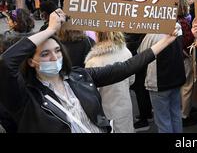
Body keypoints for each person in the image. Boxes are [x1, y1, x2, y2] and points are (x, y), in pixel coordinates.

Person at [0, 9, 178, 133]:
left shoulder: (80, 76)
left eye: (57, 51)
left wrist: (165, 41)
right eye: (45, 54)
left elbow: (126, 68)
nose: (54, 58)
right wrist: (51, 30)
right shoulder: (25, 96)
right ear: (31, 61)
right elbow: (6, 62)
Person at [84, 32, 135, 133]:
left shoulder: (93, 62)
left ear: (97, 35)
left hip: (106, 112)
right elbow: (131, 80)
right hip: (125, 106)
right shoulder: (126, 51)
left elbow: (91, 94)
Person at [139, 28, 186, 133]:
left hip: (158, 82)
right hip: (176, 78)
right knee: (176, 114)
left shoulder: (152, 34)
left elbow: (142, 53)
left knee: (163, 120)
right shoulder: (177, 27)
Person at [177, 0, 197, 127]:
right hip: (185, 57)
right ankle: (184, 114)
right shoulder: (184, 23)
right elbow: (186, 41)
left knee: (180, 85)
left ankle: (184, 109)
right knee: (187, 85)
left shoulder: (173, 21)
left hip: (177, 59)